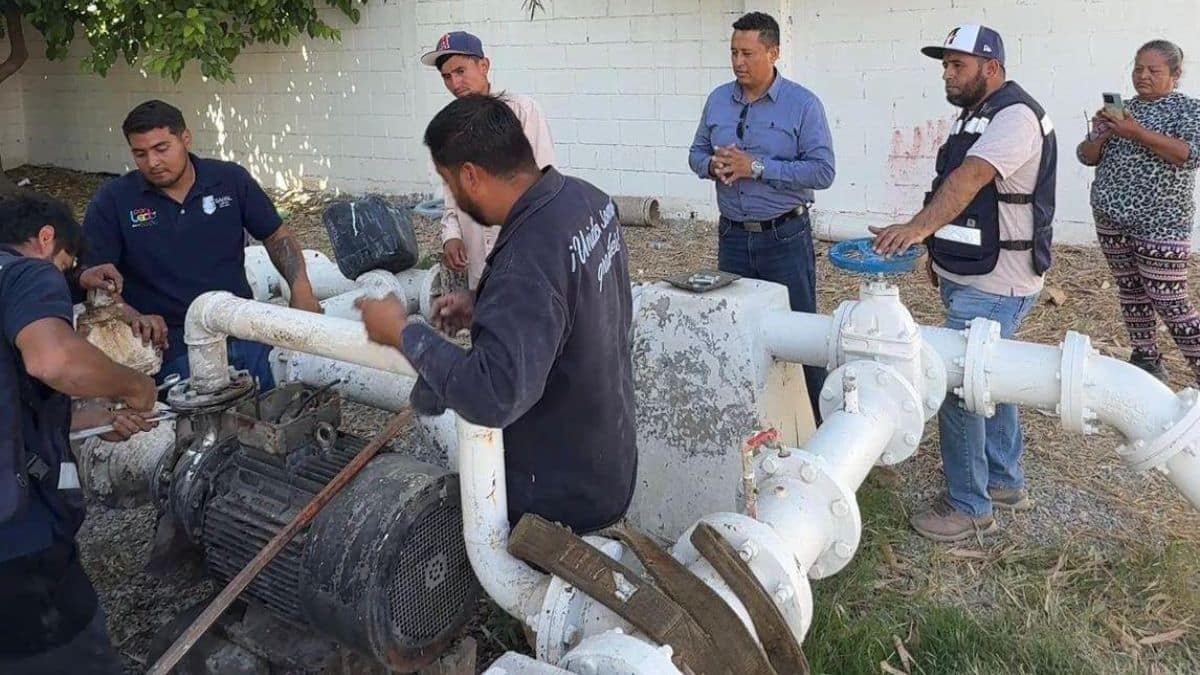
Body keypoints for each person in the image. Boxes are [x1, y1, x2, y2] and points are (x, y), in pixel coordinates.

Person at [357, 95, 636, 534]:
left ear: (471, 175)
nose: (453, 195)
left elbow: (493, 394)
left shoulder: (526, 262)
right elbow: (573, 299)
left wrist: (402, 333)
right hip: (607, 451)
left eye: (449, 182)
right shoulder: (586, 200)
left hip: (558, 498)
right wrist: (486, 304)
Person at [871, 24, 1057, 542]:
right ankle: (1002, 480)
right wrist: (936, 250)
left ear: (991, 68)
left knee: (959, 384)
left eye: (958, 65)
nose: (947, 75)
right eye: (945, 66)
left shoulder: (1015, 116)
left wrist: (916, 230)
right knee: (993, 376)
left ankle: (969, 505)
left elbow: (970, 179)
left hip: (997, 283)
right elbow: (958, 197)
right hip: (974, 272)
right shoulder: (976, 114)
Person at [0, 193, 159, 674]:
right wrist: (134, 385)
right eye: (66, 266)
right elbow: (53, 360)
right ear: (46, 238)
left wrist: (99, 417)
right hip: (18, 546)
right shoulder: (26, 273)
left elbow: (17, 402)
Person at [81, 99, 323, 391]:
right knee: (199, 417)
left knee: (275, 405)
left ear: (186, 139)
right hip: (169, 345)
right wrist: (130, 315)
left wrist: (301, 289)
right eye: (140, 154)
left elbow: (277, 236)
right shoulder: (114, 200)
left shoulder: (229, 180)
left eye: (161, 148)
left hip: (241, 327)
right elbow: (95, 274)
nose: (152, 162)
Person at [688, 11, 835, 420]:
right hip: (733, 237)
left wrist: (756, 167)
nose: (738, 62)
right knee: (736, 329)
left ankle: (820, 427)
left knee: (801, 335)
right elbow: (696, 152)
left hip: (783, 237)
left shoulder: (803, 105)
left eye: (748, 53)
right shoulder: (718, 99)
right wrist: (711, 165)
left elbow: (823, 172)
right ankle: (751, 425)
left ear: (773, 53)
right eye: (734, 52)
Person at [1077, 40, 1200, 385]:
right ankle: (1145, 359)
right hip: (1110, 217)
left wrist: (1137, 133)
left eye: (1153, 70)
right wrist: (1101, 135)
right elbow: (1086, 157)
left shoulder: (1189, 110)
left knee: (1169, 299)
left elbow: (1190, 155)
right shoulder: (1123, 111)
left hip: (1162, 222)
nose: (1142, 75)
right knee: (1131, 290)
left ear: (1175, 74)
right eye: (1138, 68)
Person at [421, 31, 556, 290]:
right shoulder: (450, 128)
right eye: (446, 77)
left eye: (460, 71)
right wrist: (451, 236)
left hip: (525, 258)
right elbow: (452, 193)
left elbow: (545, 186)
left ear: (484, 66)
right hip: (479, 265)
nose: (455, 83)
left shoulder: (522, 111)